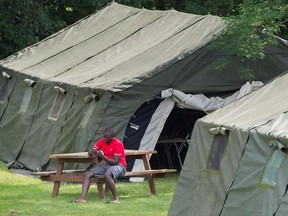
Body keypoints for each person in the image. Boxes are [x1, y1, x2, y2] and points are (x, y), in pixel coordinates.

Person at [75, 127, 127, 204]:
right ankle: (83, 198)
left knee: (108, 174)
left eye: (107, 137)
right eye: (104, 136)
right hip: (106, 165)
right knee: (87, 174)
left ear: (112, 137)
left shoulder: (118, 144)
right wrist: (92, 151)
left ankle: (116, 199)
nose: (104, 138)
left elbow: (115, 162)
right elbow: (91, 152)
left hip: (119, 166)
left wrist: (102, 156)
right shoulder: (102, 141)